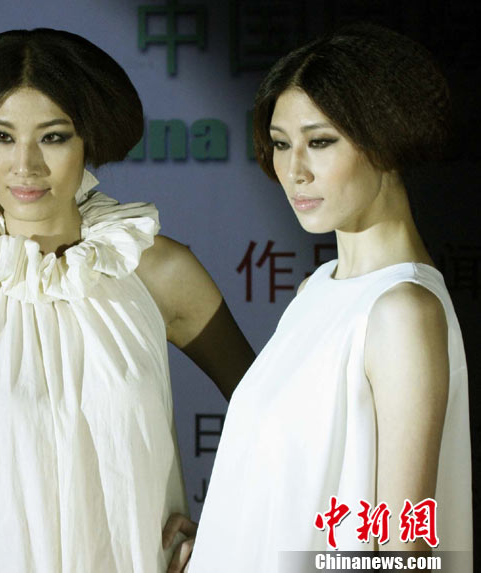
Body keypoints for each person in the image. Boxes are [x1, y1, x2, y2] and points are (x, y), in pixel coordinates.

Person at [0, 28, 254, 573]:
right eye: (1, 136)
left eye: (53, 137)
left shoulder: (160, 273)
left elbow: (282, 423)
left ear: (87, 141)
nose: (25, 165)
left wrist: (227, 532)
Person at [187, 23, 472, 572]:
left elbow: (404, 547)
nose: (294, 171)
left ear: (386, 140)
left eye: (320, 142)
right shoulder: (316, 291)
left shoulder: (402, 312)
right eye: (280, 144)